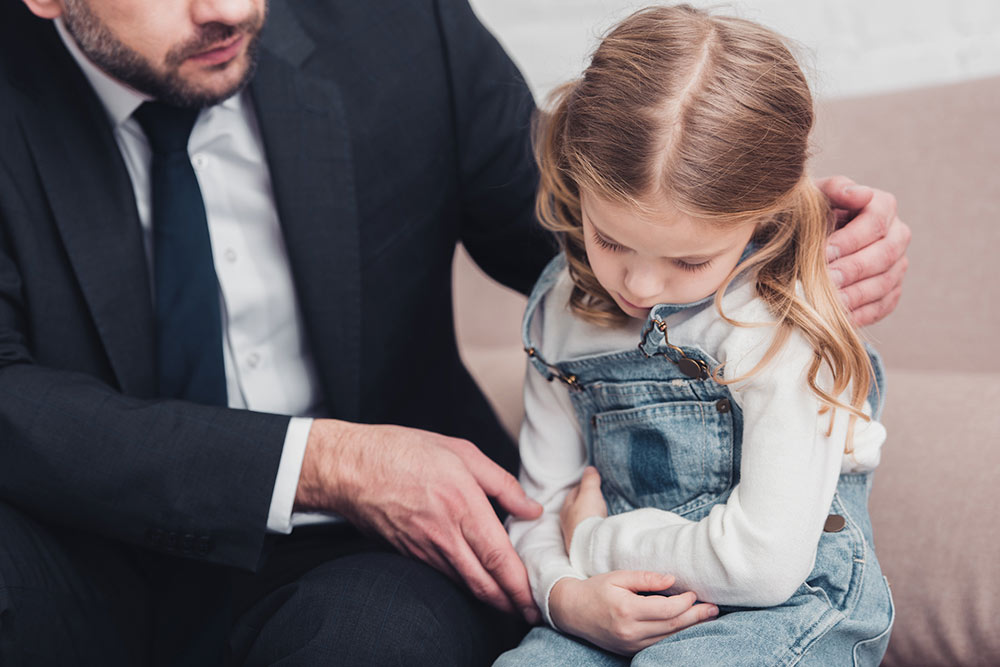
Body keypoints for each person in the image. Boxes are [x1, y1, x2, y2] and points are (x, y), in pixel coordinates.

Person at [0, 0, 906, 664]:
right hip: (74, 534)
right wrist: (326, 461)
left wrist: (778, 238)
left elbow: (595, 230)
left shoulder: (398, 25)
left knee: (378, 645)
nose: (232, 9)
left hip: (377, 554)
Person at [497, 5, 895, 665]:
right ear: (578, 178)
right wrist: (566, 596)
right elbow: (542, 507)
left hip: (788, 605)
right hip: (609, 604)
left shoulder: (776, 319)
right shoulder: (557, 314)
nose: (641, 286)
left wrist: (595, 542)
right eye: (611, 239)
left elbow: (765, 561)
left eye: (689, 261)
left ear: (759, 216)